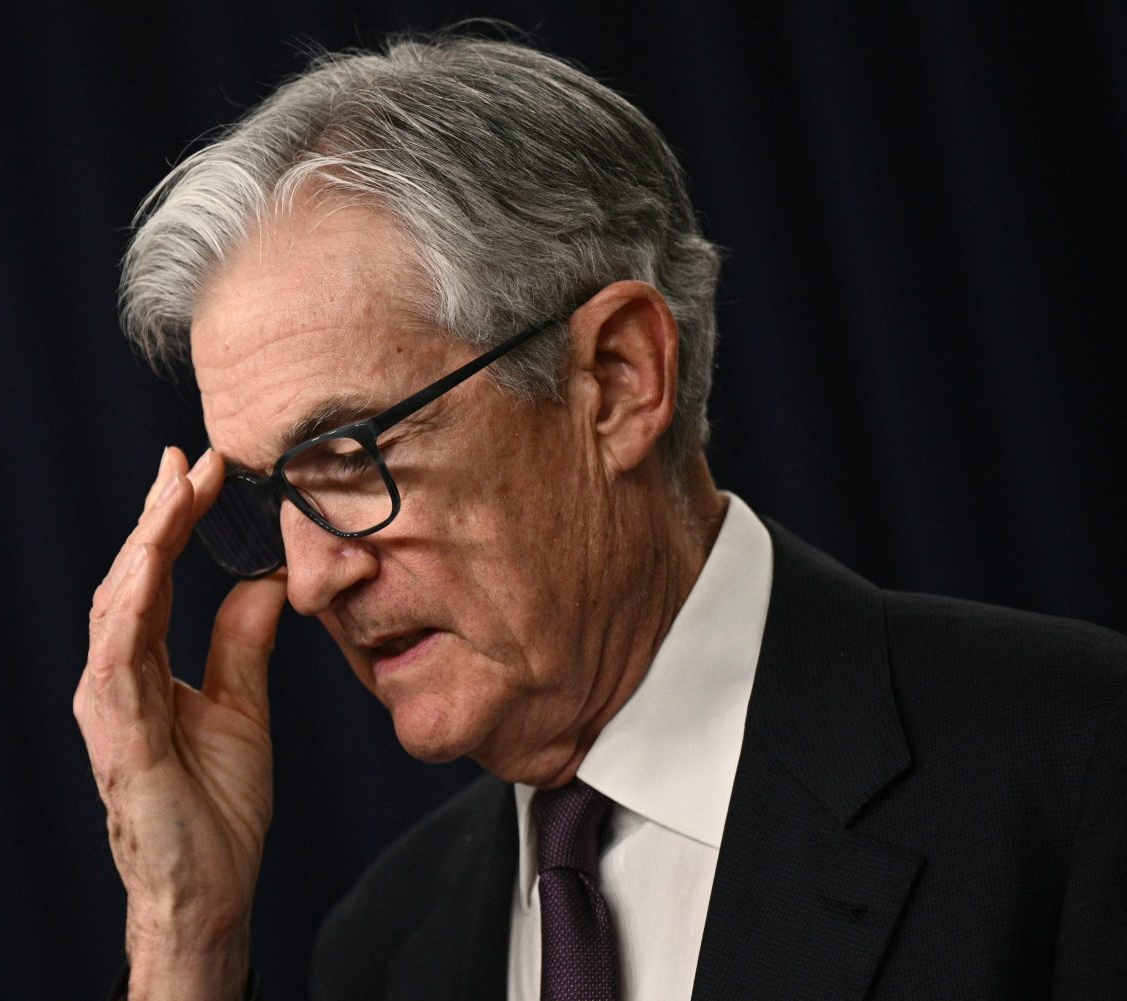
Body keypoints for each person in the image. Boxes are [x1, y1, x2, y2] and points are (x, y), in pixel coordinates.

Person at [73, 30, 1127, 1001]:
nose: (308, 581)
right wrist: (187, 936)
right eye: (272, 496)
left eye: (348, 456)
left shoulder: (1075, 767)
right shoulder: (390, 946)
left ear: (618, 379)